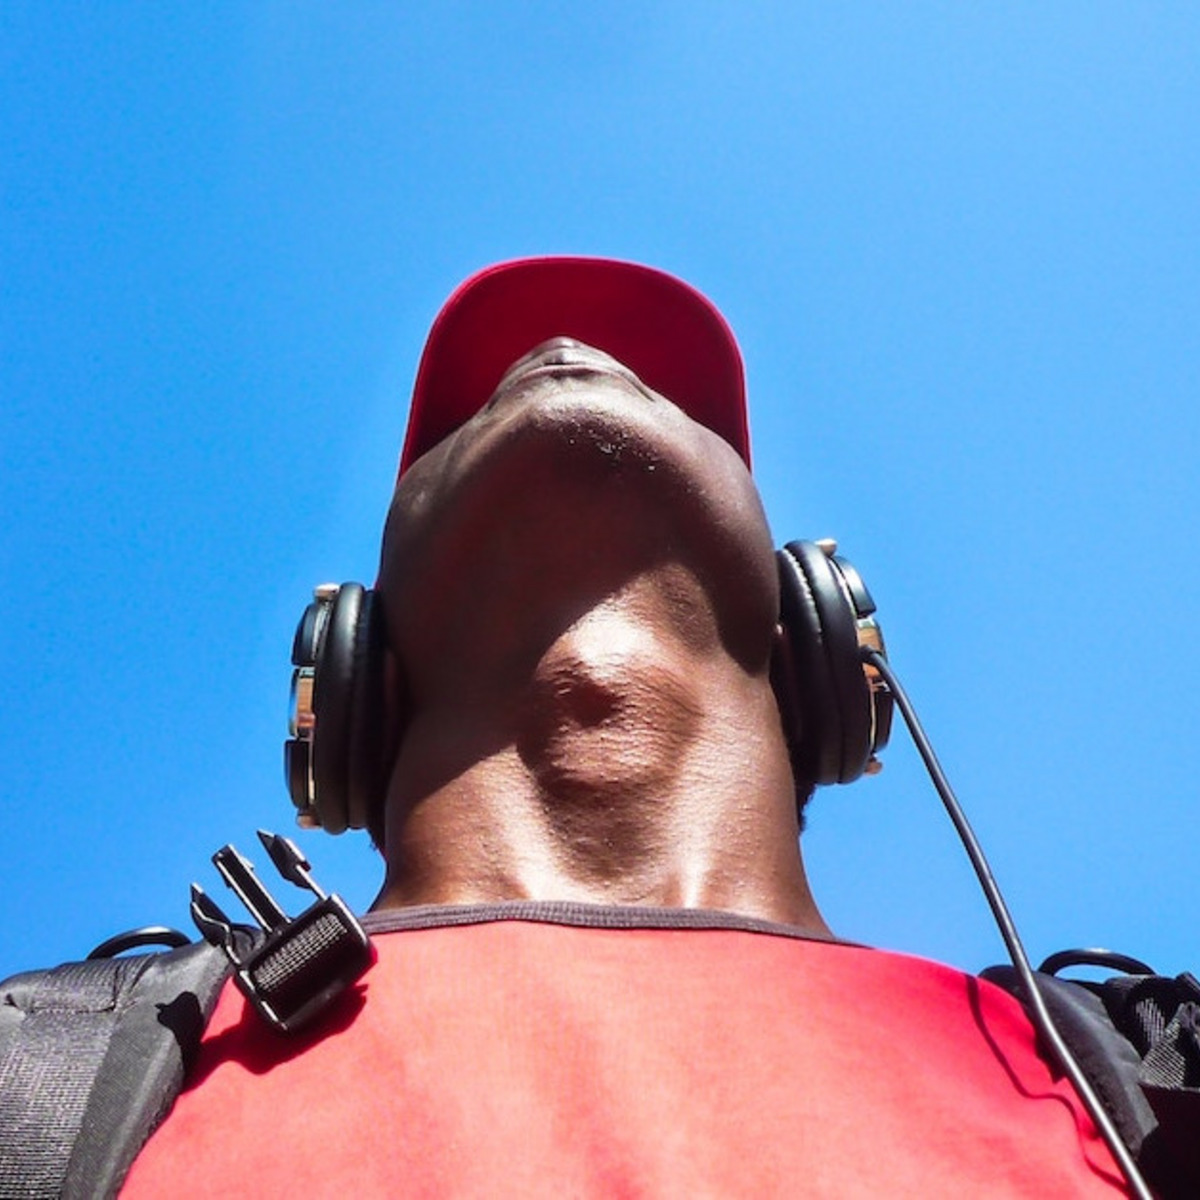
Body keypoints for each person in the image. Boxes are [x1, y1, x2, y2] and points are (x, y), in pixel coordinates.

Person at [122, 258, 1127, 1195]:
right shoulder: (72, 1068)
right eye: (469, 414)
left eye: (673, 396)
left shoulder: (1143, 1069)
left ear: (817, 646)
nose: (560, 358)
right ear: (350, 679)